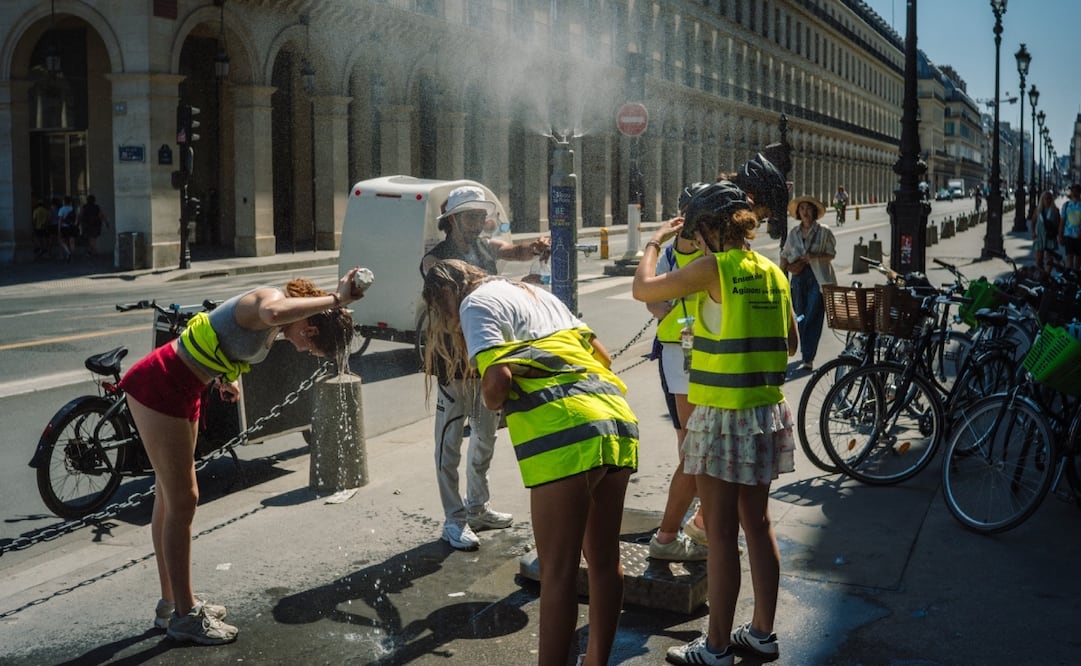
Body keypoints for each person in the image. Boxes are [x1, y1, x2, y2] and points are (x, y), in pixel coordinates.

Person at [118, 268, 365, 645]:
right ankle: (185, 616)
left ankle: (172, 604)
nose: (303, 351)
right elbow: (273, 314)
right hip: (161, 384)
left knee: (170, 500)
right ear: (309, 329)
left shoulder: (276, 325)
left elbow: (218, 335)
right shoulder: (270, 301)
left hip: (185, 388)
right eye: (310, 347)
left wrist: (224, 376)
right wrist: (338, 299)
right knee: (184, 500)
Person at [421, 258, 638, 666]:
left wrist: (494, 397)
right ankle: (595, 661)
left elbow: (496, 384)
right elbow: (604, 359)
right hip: (615, 419)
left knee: (557, 572)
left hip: (563, 435)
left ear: (445, 295)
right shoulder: (536, 293)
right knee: (605, 562)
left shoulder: (474, 305)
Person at [632, 181, 798, 666]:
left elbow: (643, 289)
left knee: (722, 535)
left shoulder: (713, 267)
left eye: (696, 229)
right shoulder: (772, 271)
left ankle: (717, 646)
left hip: (722, 414)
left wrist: (653, 243)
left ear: (707, 227)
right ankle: (762, 633)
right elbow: (789, 343)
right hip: (766, 412)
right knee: (759, 525)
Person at [420, 186, 550, 551]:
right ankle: (454, 518)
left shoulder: (486, 247)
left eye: (481, 216)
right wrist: (513, 286)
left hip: (486, 362)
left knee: (485, 438)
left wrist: (535, 246)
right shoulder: (436, 261)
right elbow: (452, 308)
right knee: (448, 448)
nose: (478, 223)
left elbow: (513, 251)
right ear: (452, 220)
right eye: (470, 216)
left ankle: (477, 507)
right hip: (454, 367)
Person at [644, 182, 709, 562]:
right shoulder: (676, 252)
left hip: (697, 350)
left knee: (696, 445)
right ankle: (686, 525)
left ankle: (700, 517)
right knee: (692, 445)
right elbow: (652, 297)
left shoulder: (713, 252)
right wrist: (676, 316)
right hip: (682, 349)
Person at [779, 195, 836, 371]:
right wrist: (781, 279)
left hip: (818, 279)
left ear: (814, 212)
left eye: (808, 208)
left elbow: (831, 254)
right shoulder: (794, 233)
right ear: (798, 212)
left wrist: (815, 257)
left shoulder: (824, 231)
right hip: (799, 279)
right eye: (802, 209)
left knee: (813, 316)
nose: (805, 212)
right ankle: (805, 350)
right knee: (801, 315)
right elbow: (785, 255)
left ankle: (808, 357)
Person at [1030, 190, 1060, 275]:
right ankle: (1041, 274)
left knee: (1049, 259)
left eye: (1049, 198)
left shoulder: (1055, 211)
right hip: (1039, 237)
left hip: (1050, 237)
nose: (1047, 200)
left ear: (1052, 199)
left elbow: (1058, 224)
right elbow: (1033, 222)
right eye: (1045, 199)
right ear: (1042, 200)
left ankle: (1046, 276)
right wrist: (1033, 233)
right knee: (1039, 260)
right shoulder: (1038, 210)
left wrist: (1057, 234)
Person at [1060, 183, 1081, 270]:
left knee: (1078, 260)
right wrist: (1060, 235)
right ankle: (1069, 278)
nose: (1075, 193)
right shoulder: (1066, 206)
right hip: (1068, 235)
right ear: (1071, 192)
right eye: (1073, 191)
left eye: (1077, 191)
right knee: (1069, 258)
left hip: (1079, 236)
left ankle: (1075, 278)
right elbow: (1062, 222)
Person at [57, 195, 78, 261]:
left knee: (62, 241)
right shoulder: (73, 208)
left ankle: (68, 252)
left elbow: (60, 220)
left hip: (64, 227)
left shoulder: (62, 209)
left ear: (64, 201)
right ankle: (72, 257)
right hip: (72, 227)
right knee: (72, 242)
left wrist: (59, 229)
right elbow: (76, 218)